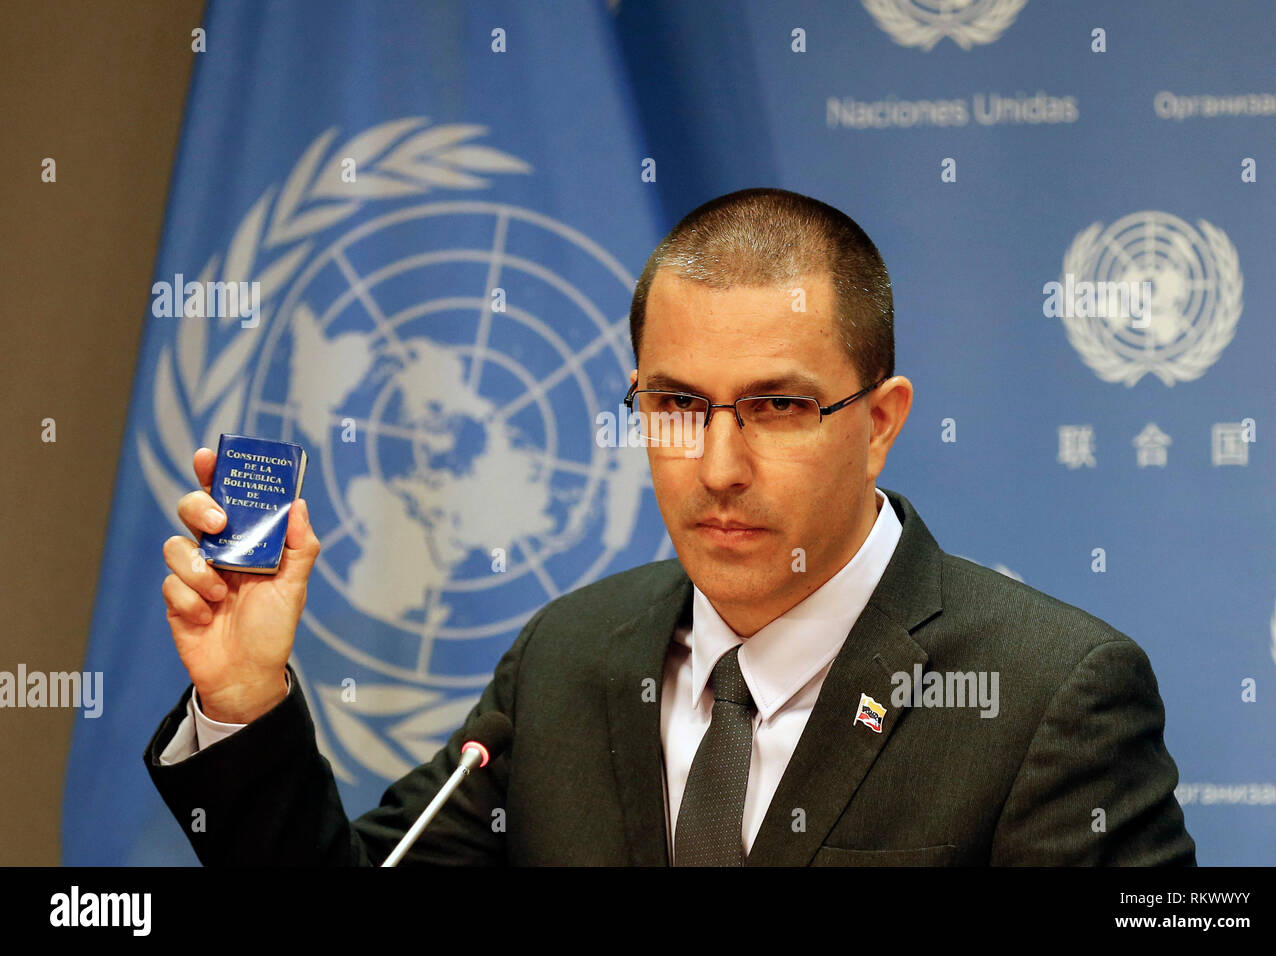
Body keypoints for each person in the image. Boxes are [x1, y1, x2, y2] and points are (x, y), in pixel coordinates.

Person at [147, 187, 1196, 866]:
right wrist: (243, 703)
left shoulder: (1052, 695)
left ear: (877, 424)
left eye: (778, 407)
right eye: (676, 405)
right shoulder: (567, 657)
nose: (719, 466)